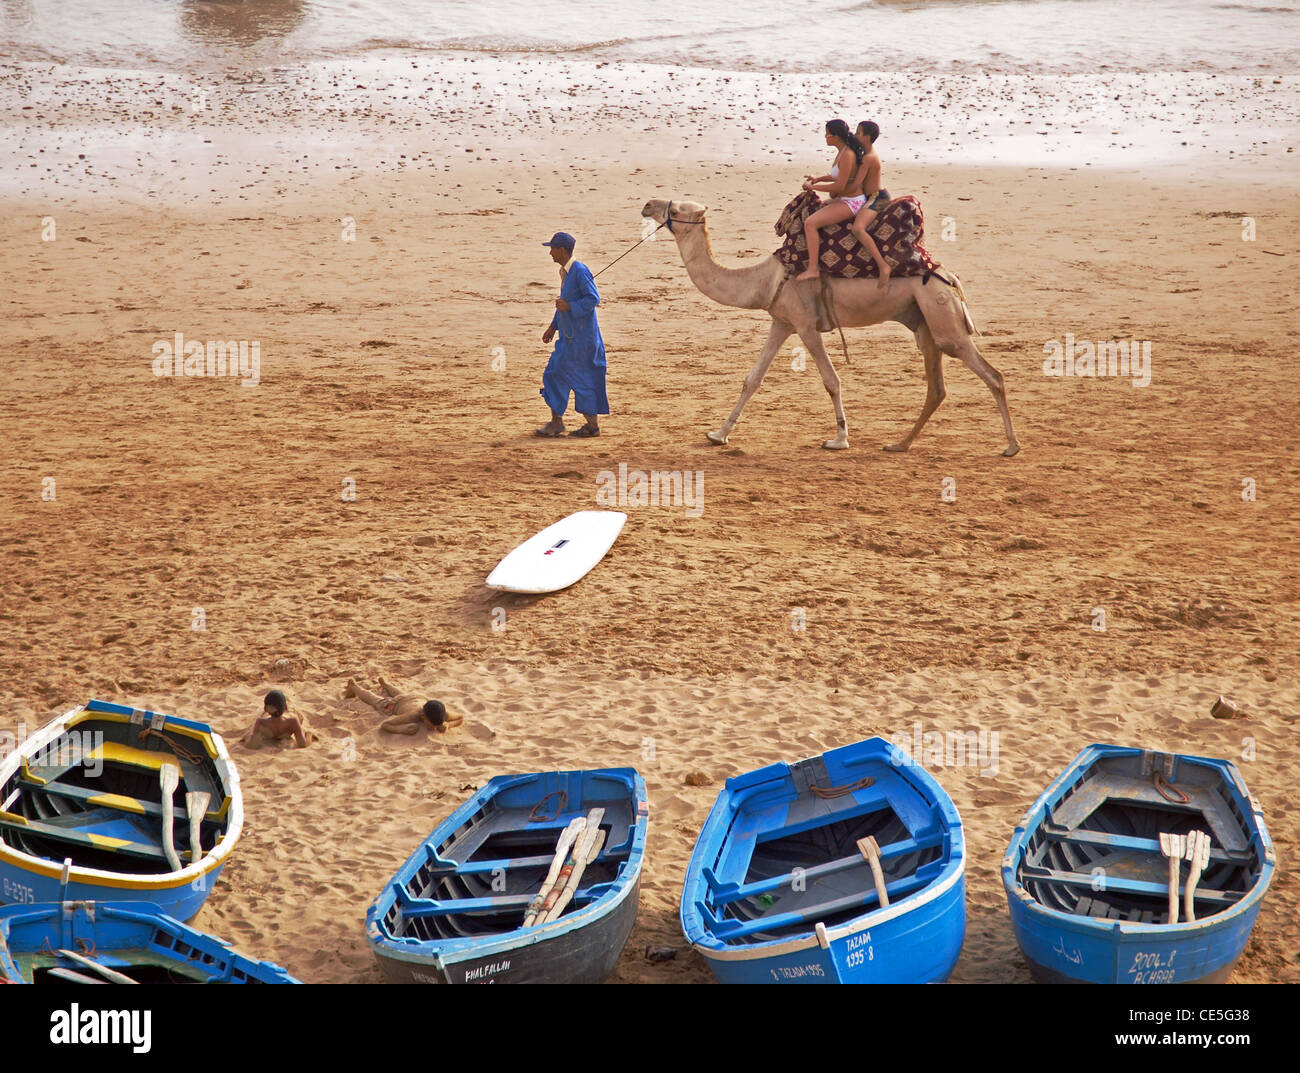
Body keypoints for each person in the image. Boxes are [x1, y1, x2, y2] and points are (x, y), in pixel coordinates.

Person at [536, 231, 608, 438]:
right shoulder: (565, 272)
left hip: (583, 341)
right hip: (569, 338)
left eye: (552, 248)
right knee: (556, 375)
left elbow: (593, 298)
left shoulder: (579, 270)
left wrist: (570, 306)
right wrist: (553, 326)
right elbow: (564, 304)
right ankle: (564, 423)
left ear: (562, 250)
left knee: (575, 378)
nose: (550, 252)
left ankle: (583, 425)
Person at [795, 120, 867, 283]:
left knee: (810, 223)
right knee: (816, 209)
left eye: (827, 133)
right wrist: (818, 178)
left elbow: (840, 185)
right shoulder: (842, 151)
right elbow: (837, 175)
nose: (825, 136)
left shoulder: (847, 155)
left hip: (852, 201)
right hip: (843, 198)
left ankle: (813, 269)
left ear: (835, 136)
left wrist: (814, 188)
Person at [848, 121, 893, 288]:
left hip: (877, 198)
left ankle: (883, 265)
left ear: (866, 137)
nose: (855, 135)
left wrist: (838, 192)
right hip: (869, 197)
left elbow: (855, 183)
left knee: (858, 228)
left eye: (858, 133)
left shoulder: (868, 158)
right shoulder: (866, 155)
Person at [344, 677, 462, 736]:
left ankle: (385, 684)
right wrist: (402, 730)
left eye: (437, 724)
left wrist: (448, 725)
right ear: (422, 716)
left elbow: (460, 718)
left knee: (400, 693)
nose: (434, 728)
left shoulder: (441, 713)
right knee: (375, 700)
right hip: (397, 705)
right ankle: (354, 686)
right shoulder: (413, 715)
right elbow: (385, 725)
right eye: (431, 724)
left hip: (416, 697)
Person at [242, 689, 310, 748]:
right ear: (285, 708)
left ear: (265, 709)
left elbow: (252, 745)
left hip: (268, 726)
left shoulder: (261, 722)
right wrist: (309, 734)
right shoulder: (293, 722)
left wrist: (246, 738)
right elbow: (303, 744)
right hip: (286, 725)